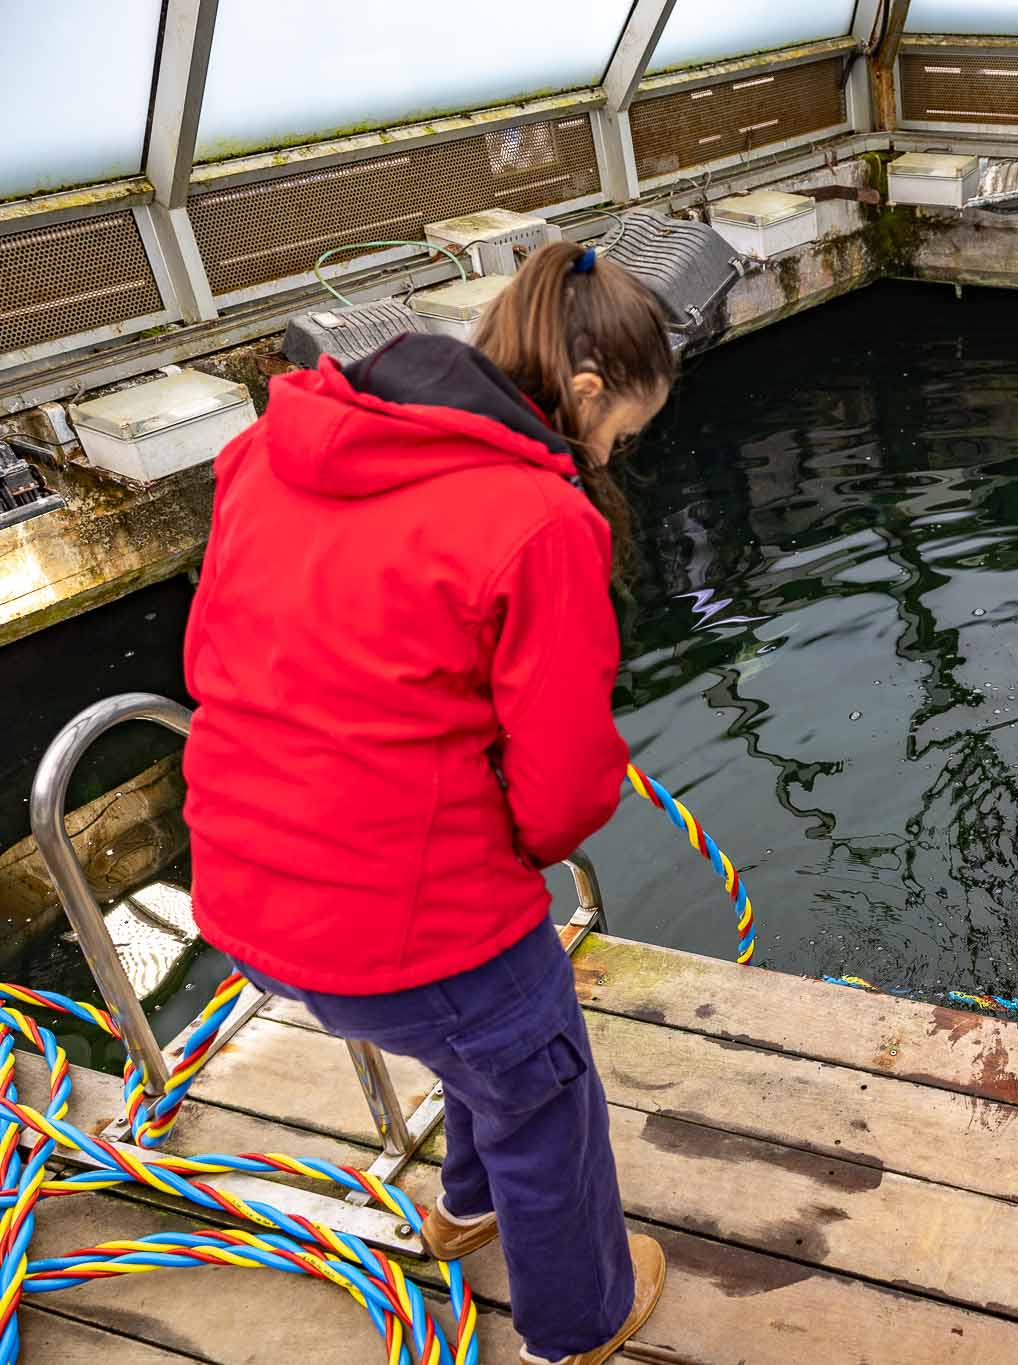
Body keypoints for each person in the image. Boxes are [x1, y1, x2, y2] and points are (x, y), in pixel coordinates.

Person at [182, 241, 673, 1365]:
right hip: (409, 927)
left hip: (248, 898)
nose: (610, 455)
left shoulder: (264, 449)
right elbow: (557, 798)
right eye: (622, 434)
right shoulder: (540, 522)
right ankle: (579, 1323)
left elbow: (217, 655)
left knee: (476, 1050)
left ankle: (461, 1211)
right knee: (542, 1089)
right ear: (586, 395)